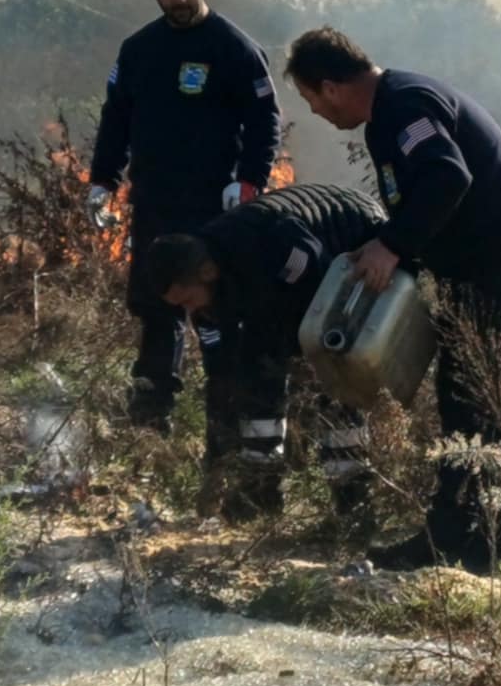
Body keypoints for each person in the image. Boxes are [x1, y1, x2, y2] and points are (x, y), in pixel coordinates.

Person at [284, 26, 501, 573]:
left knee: (497, 408)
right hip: (474, 272)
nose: (315, 113)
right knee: (462, 408)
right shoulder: (386, 116)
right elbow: (425, 203)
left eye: (310, 99)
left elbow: (445, 176)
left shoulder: (404, 105)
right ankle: (447, 538)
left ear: (331, 87)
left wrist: (392, 245)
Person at [89, 0, 282, 447]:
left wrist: (250, 179)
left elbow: (265, 121)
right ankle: (152, 422)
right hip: (154, 201)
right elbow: (116, 118)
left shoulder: (234, 48)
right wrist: (102, 179)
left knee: (219, 313)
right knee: (157, 308)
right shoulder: (138, 50)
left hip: (216, 210)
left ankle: (228, 420)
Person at [139, 183, 385, 519]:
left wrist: (300, 352)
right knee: (254, 372)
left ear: (207, 273)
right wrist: (217, 461)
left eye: (187, 300)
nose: (189, 312)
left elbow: (316, 271)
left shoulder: (263, 242)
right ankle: (260, 493)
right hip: (280, 286)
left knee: (333, 379)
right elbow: (223, 375)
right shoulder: (209, 292)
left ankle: (353, 499)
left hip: (352, 242)